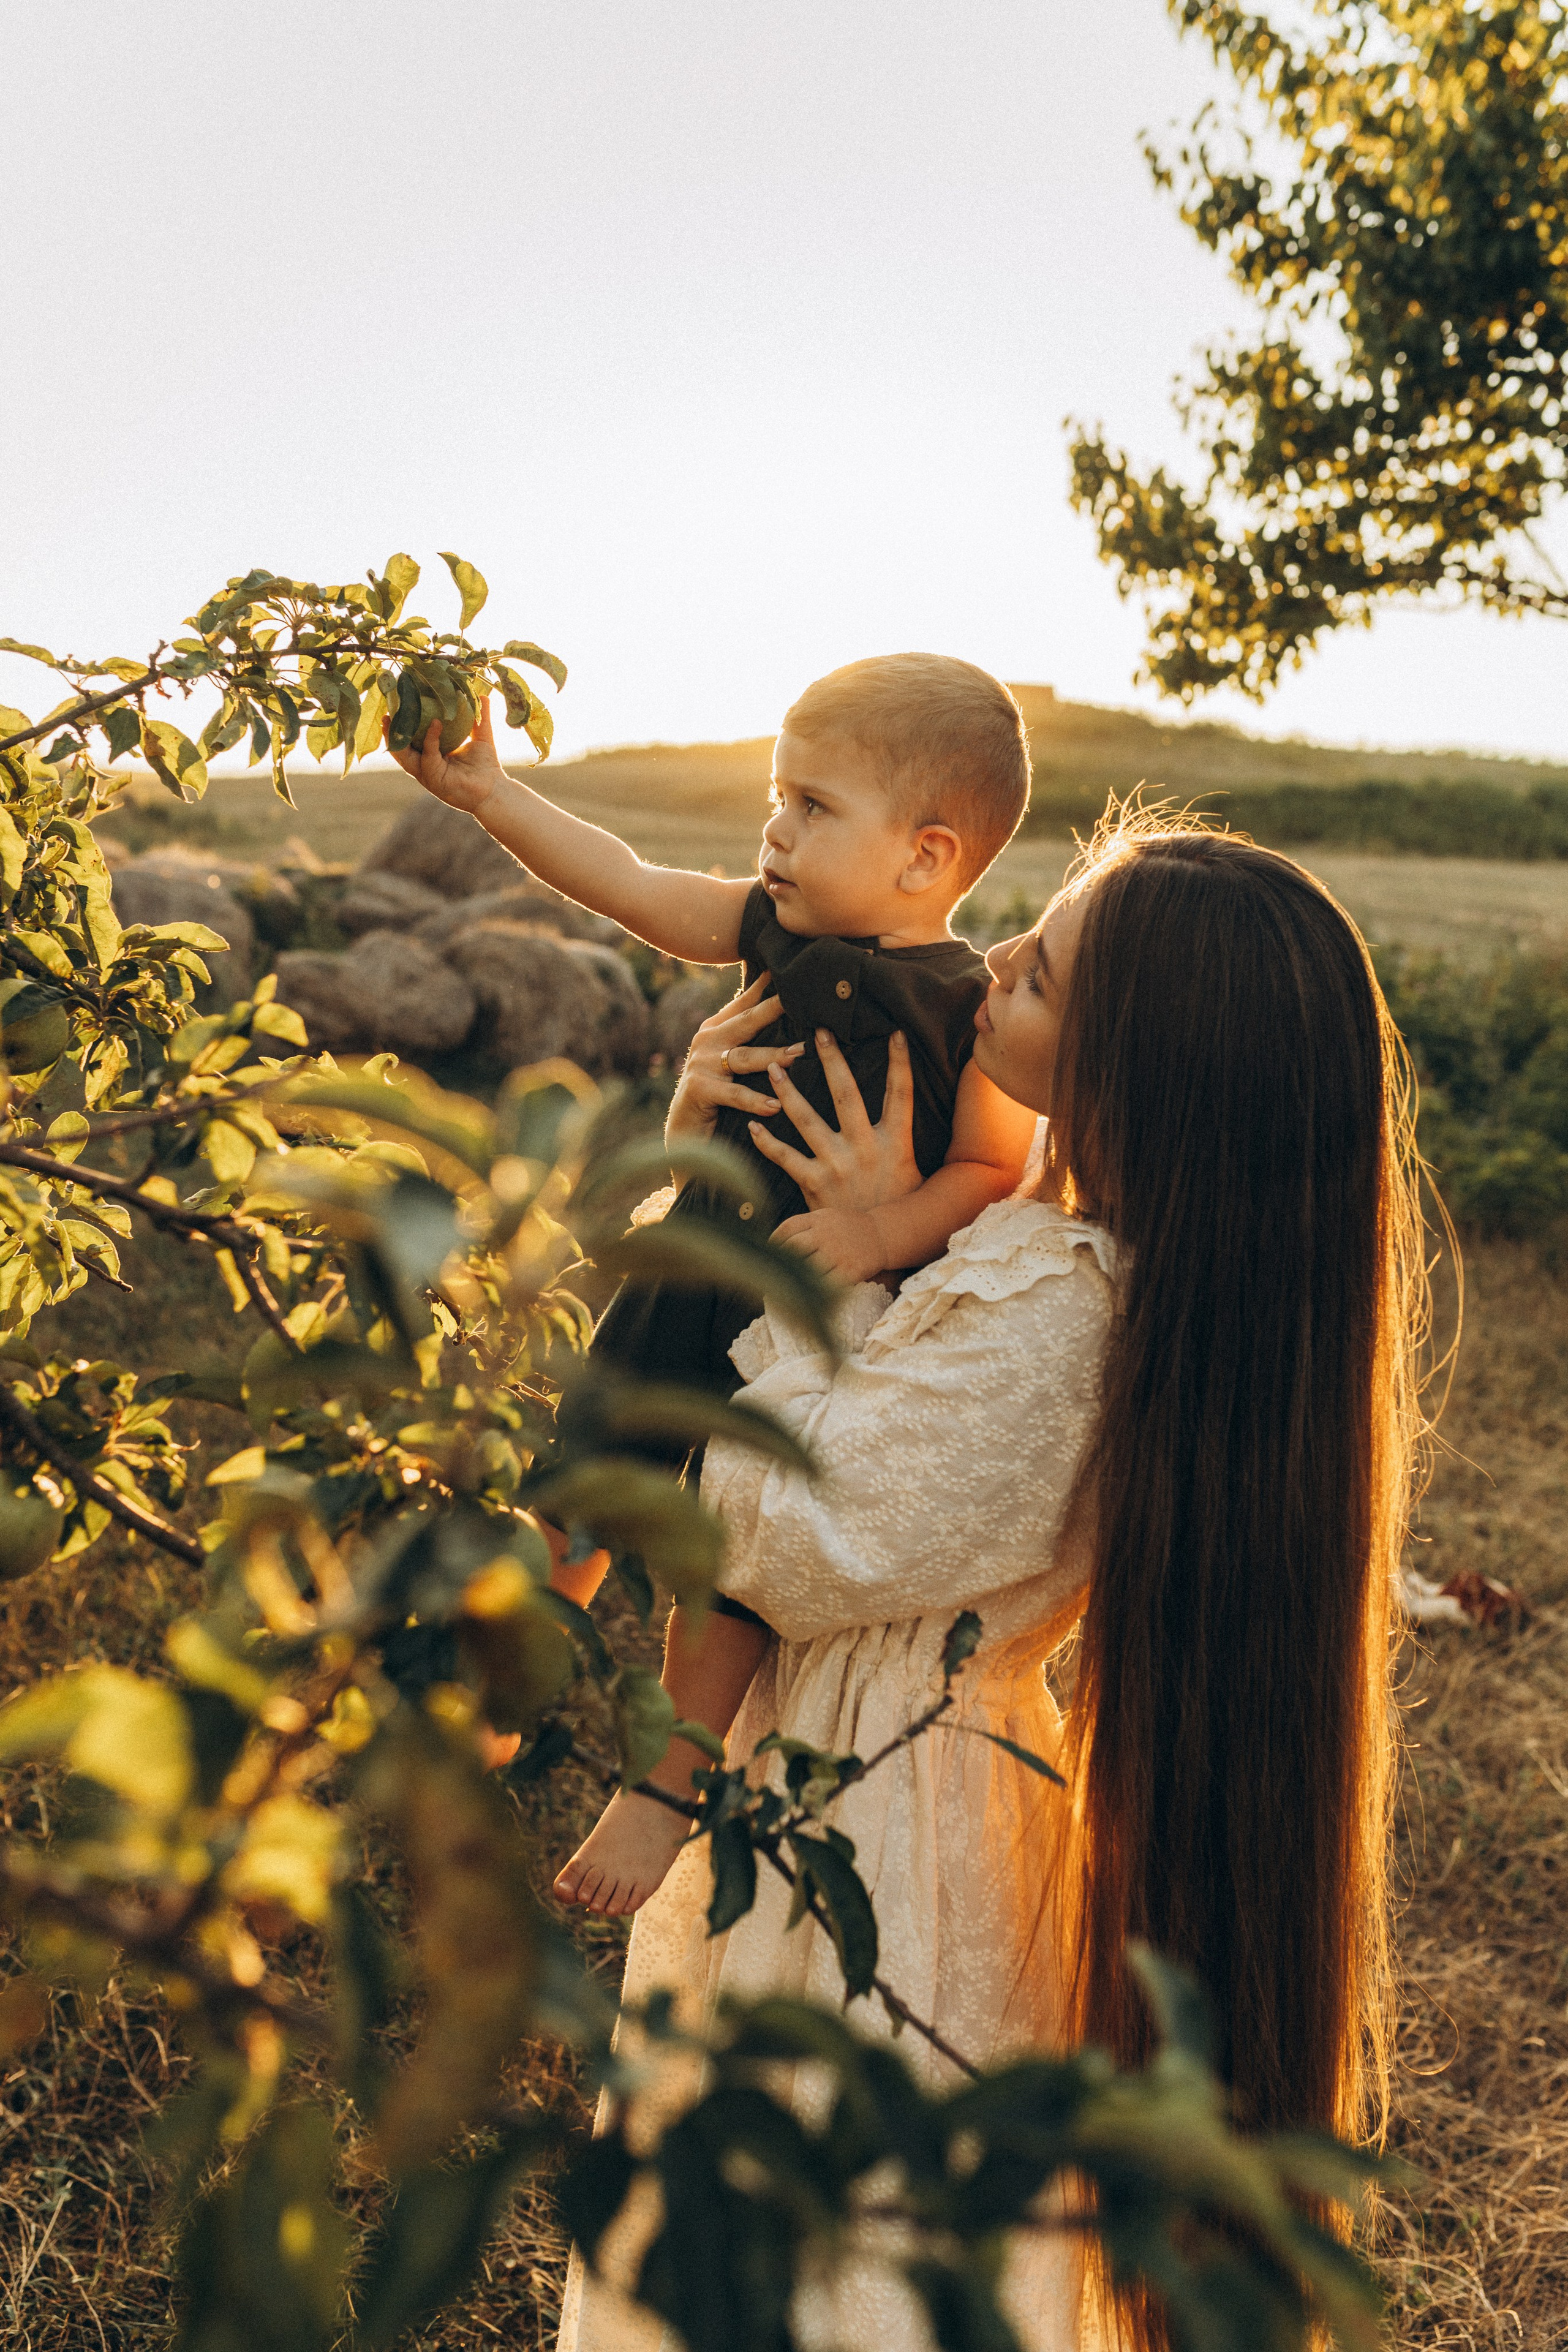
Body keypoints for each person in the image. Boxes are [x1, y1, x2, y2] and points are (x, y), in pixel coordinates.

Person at [554, 812, 1425, 2352]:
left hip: (881, 1824)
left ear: (1136, 1068)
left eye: (1039, 973)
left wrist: (815, 1277)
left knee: (838, 2241)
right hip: (871, 1772)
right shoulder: (1039, 1245)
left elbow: (774, 1530)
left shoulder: (1061, 1310)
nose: (991, 960)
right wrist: (830, 1202)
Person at [390, 654, 1039, 1909]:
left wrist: (879, 1230)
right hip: (685, 1276)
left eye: (813, 806)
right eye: (776, 797)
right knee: (573, 1495)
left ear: (925, 858)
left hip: (809, 1324)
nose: (775, 830)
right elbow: (631, 883)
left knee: (736, 1567)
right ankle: (492, 1700)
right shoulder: (769, 930)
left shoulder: (970, 1009)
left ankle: (662, 1791)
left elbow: (987, 1170)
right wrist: (492, 797)